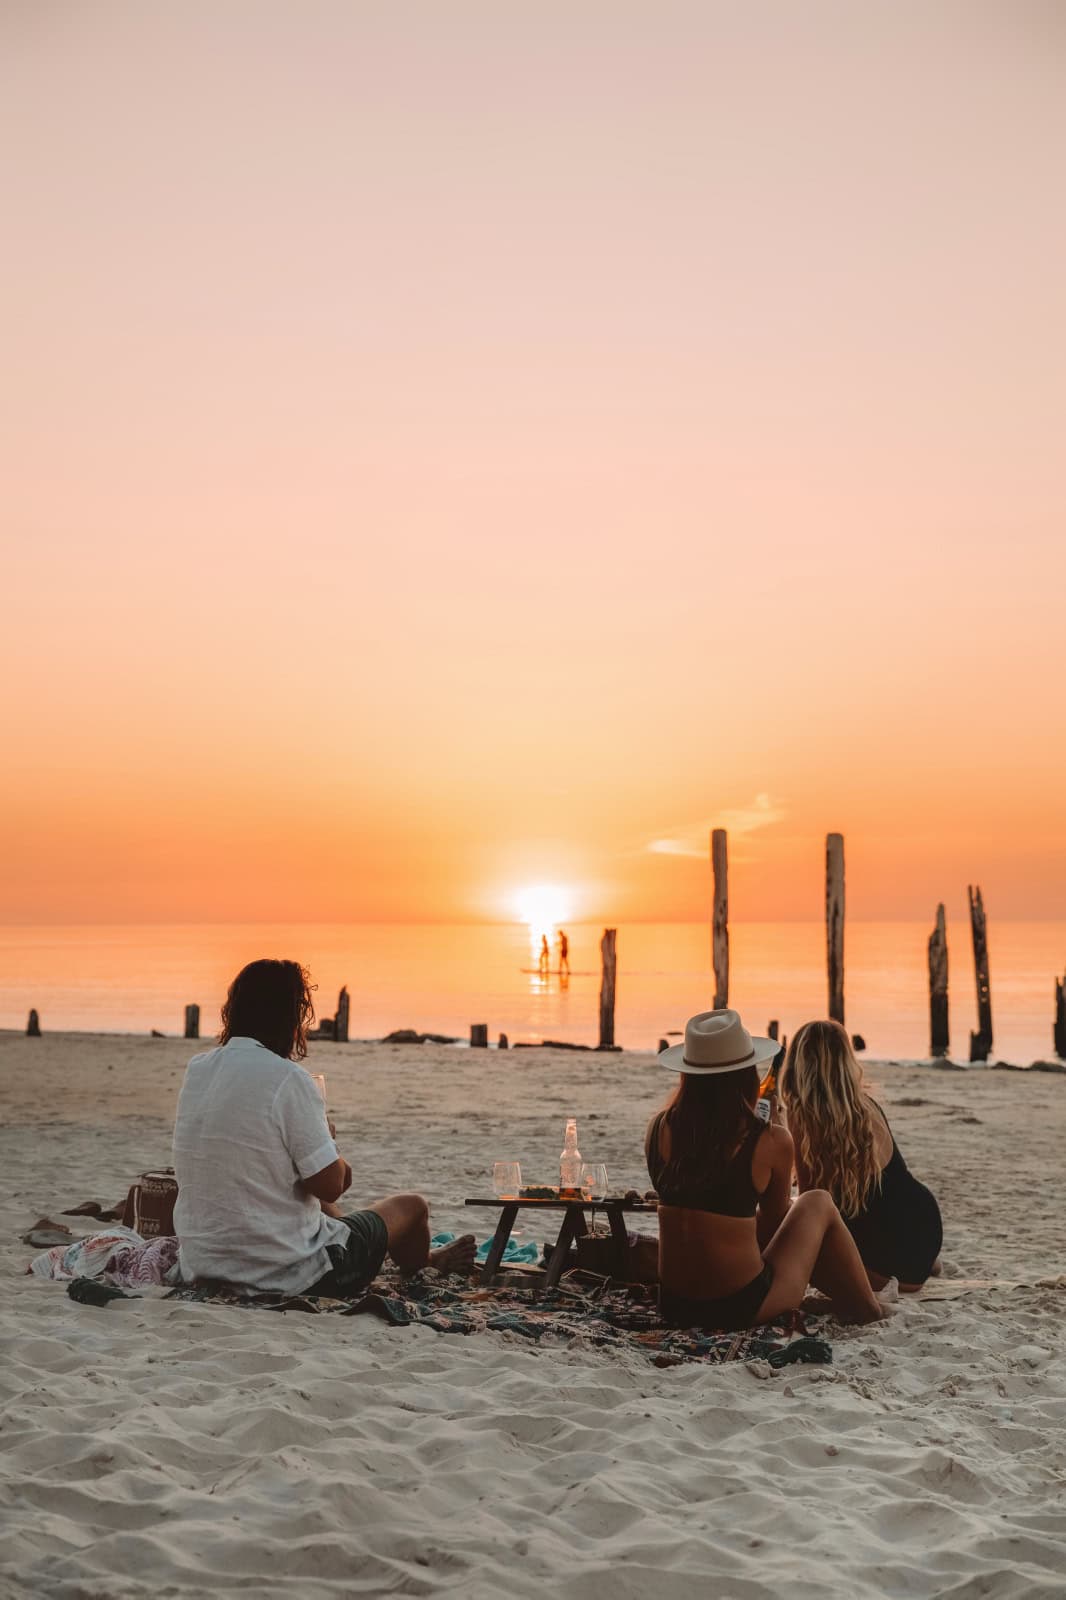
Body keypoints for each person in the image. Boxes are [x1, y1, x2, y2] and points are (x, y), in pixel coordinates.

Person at [172, 959, 475, 1295]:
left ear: (234, 1010)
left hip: (203, 1263)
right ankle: (425, 1262)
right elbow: (332, 1185)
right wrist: (330, 1144)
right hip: (284, 1272)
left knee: (309, 1193)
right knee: (412, 1206)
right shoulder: (288, 1078)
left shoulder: (197, 1069)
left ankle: (372, 1244)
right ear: (293, 1015)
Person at [646, 1009, 888, 1329]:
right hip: (740, 1307)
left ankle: (857, 1296)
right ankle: (870, 1309)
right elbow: (775, 1223)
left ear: (687, 1074)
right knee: (816, 1201)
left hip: (674, 1305)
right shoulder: (769, 1139)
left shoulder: (658, 1128)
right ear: (746, 1075)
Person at [779, 1020, 943, 1291]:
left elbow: (809, 1202)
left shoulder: (801, 1115)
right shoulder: (867, 1106)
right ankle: (925, 1267)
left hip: (883, 1256)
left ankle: (903, 1275)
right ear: (846, 1061)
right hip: (924, 1225)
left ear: (798, 1063)